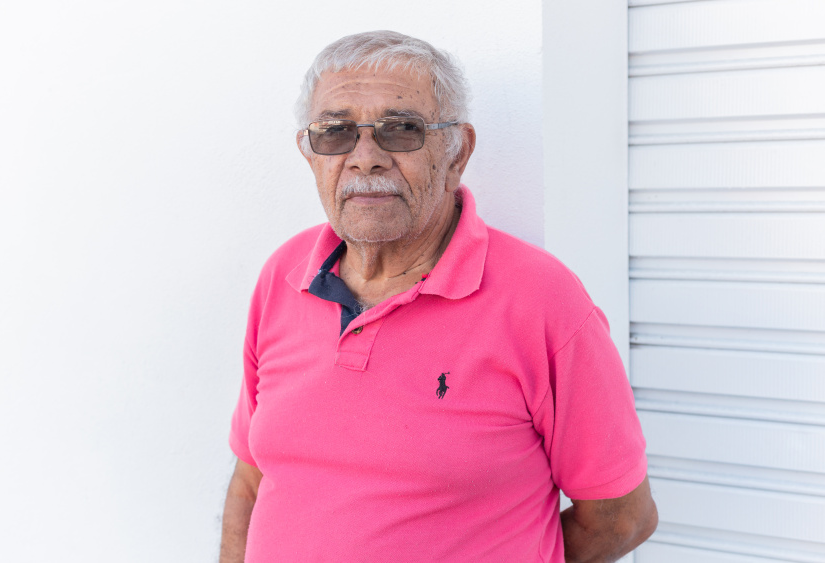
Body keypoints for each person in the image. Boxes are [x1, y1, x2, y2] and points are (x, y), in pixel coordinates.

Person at [220, 30, 657, 563]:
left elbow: (620, 517)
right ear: (310, 154)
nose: (365, 158)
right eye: (335, 133)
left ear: (457, 153)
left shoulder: (543, 301)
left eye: (400, 130)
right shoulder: (283, 276)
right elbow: (250, 481)